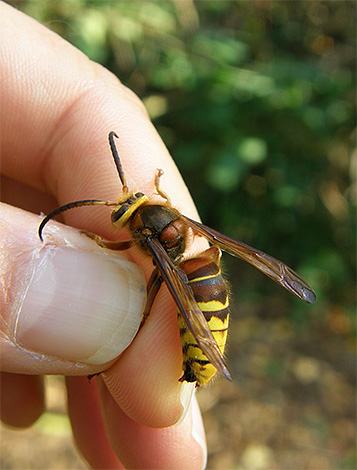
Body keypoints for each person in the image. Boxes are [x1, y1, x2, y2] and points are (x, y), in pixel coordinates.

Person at [0, 3, 207, 468]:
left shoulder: (146, 238)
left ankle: (196, 352)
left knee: (159, 291)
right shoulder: (165, 221)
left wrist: (94, 247)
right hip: (198, 272)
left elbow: (129, 248)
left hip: (194, 299)